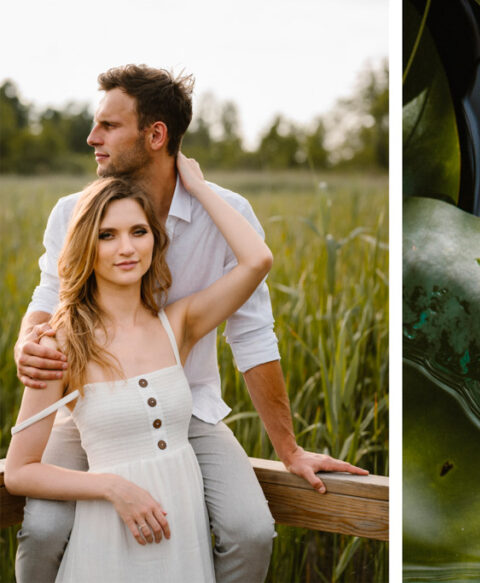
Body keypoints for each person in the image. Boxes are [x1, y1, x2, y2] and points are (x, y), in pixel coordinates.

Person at [10, 65, 366, 582]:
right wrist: (29, 343)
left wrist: (288, 450)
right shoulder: (74, 212)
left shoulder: (223, 219)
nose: (92, 137)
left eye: (108, 125)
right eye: (110, 237)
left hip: (186, 407)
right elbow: (48, 296)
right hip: (91, 410)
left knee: (249, 531)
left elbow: (252, 333)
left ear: (156, 135)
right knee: (43, 531)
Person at [7, 160, 266, 580]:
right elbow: (20, 471)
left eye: (138, 232)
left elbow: (257, 260)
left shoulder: (178, 325)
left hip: (181, 534)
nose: (126, 248)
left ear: (155, 240)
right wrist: (112, 487)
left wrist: (199, 189)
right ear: (85, 246)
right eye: (107, 235)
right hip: (108, 533)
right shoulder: (60, 344)